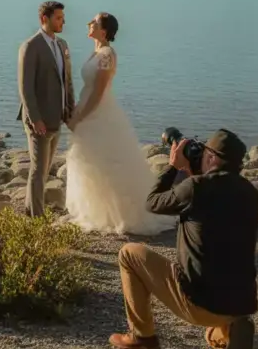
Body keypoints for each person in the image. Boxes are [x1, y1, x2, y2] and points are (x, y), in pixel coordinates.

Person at [109, 129, 258, 349]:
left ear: (211, 157)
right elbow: (213, 203)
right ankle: (231, 330)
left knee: (129, 254)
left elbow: (151, 202)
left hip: (199, 303)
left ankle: (141, 338)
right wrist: (193, 175)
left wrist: (173, 167)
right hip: (241, 304)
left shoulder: (195, 188)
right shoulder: (250, 193)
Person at [64, 13, 175, 236]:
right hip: (88, 110)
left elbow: (99, 91)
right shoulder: (96, 52)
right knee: (90, 161)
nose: (89, 23)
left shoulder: (107, 54)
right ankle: (97, 211)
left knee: (106, 162)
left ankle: (121, 213)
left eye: (94, 22)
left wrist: (80, 116)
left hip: (98, 113)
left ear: (103, 31)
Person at [16, 0, 75, 216]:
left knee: (45, 169)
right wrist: (35, 118)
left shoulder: (62, 45)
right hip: (38, 120)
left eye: (62, 18)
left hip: (56, 118)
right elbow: (25, 88)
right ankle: (36, 220)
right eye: (58, 18)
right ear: (44, 19)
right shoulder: (30, 47)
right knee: (38, 171)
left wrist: (70, 111)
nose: (63, 22)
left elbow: (67, 82)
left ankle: (32, 211)